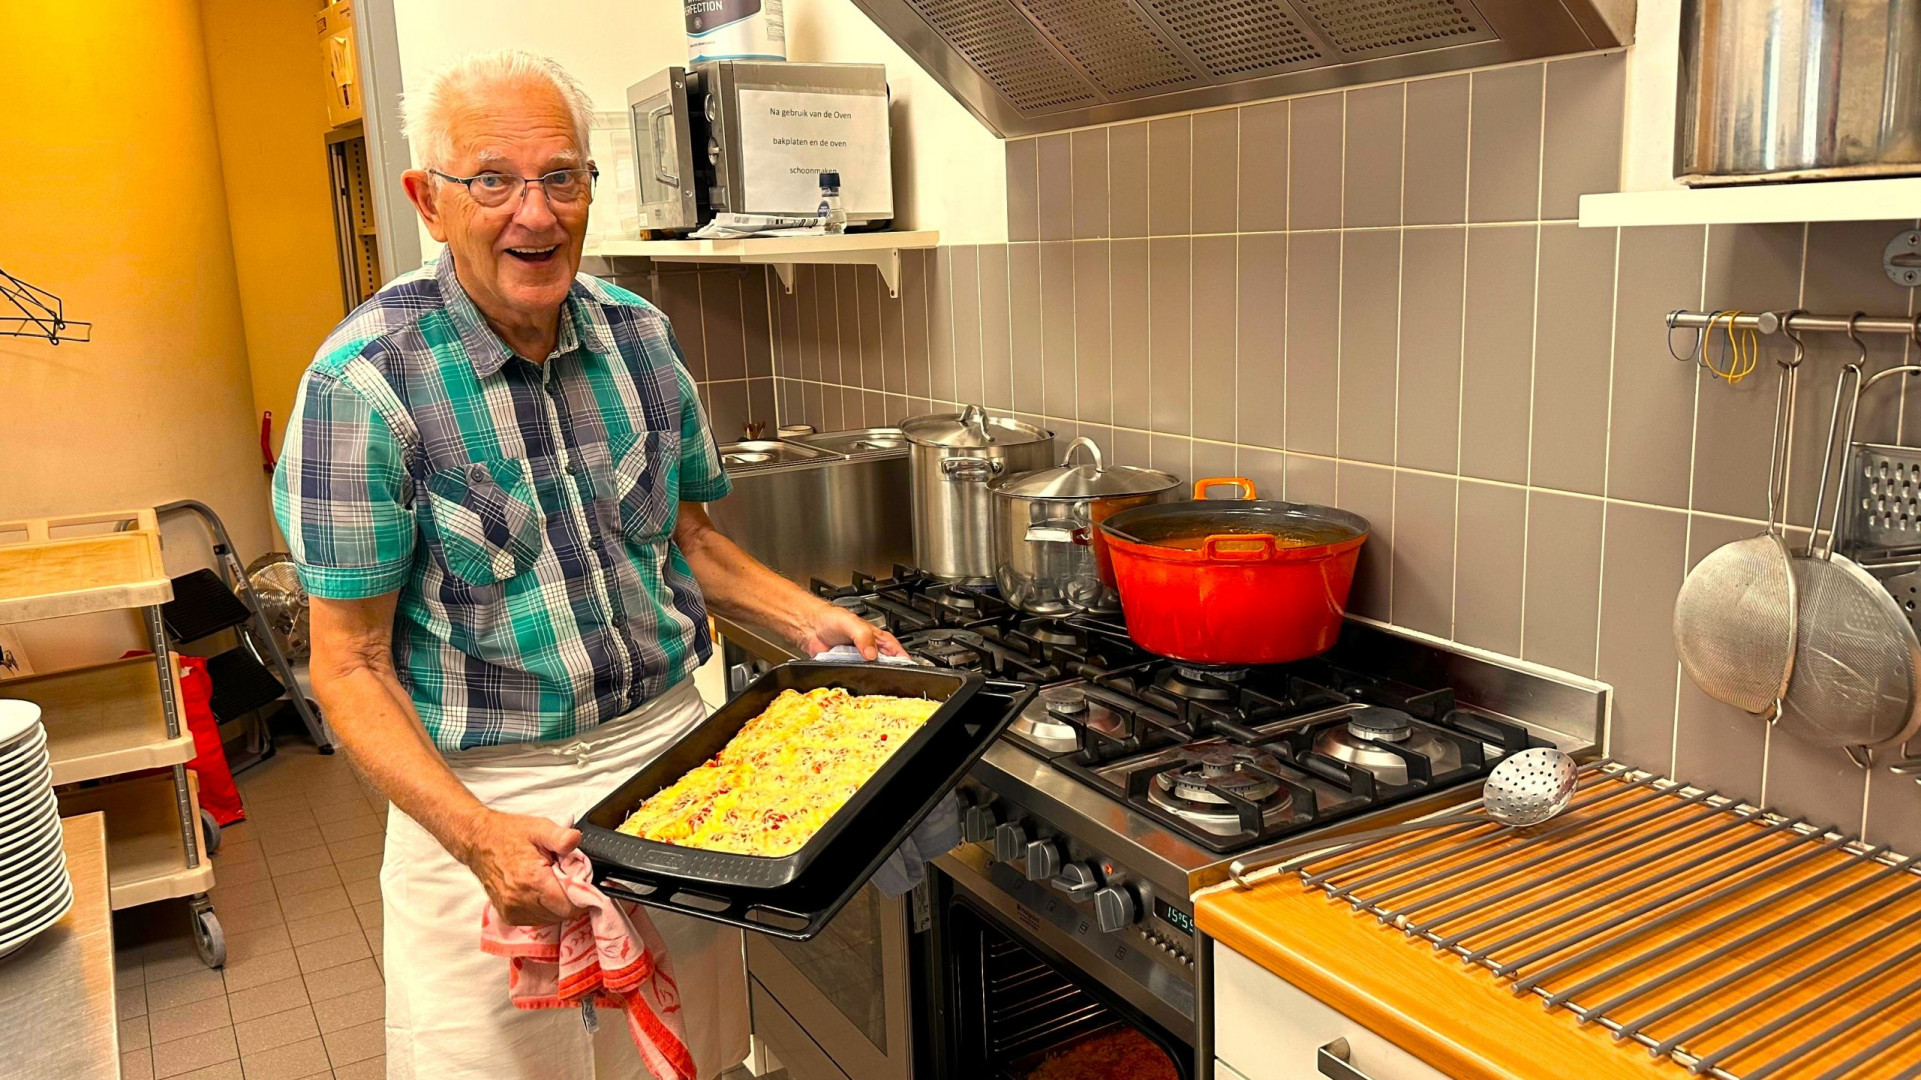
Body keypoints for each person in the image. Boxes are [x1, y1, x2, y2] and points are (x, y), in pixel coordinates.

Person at [272, 49, 903, 1080]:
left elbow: (689, 541)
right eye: (493, 181)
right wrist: (476, 836)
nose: (536, 213)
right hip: (485, 794)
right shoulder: (364, 384)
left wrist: (809, 620)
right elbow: (348, 663)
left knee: (686, 1060)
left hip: (676, 772)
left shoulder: (640, 339)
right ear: (428, 201)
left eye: (561, 177)